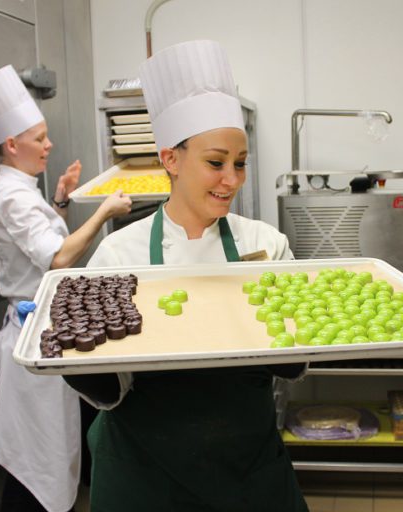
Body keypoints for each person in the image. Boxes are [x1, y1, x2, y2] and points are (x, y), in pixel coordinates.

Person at [72, 40, 309, 511]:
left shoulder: (267, 244)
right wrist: (72, 356)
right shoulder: (120, 254)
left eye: (240, 164)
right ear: (171, 160)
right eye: (216, 163)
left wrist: (292, 335)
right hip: (143, 472)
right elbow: (109, 389)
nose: (232, 179)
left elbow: (294, 363)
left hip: (247, 467)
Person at [0, 65, 132, 512]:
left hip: (44, 327)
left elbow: (38, 245)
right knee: (37, 460)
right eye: (39, 138)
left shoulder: (22, 189)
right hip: (32, 332)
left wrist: (59, 199)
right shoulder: (11, 196)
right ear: (12, 144)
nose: (48, 144)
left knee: (53, 450)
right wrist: (104, 211)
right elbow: (57, 257)